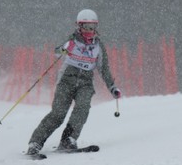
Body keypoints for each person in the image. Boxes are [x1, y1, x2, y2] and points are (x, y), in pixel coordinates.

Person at [27, 9, 121, 155]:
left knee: (82, 108)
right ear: (79, 26)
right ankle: (35, 142)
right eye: (86, 27)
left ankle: (68, 140)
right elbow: (57, 50)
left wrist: (112, 87)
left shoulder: (98, 46)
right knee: (58, 114)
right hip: (66, 81)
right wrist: (64, 49)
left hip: (85, 83)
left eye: (92, 27)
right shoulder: (72, 40)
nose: (89, 30)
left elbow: (104, 69)